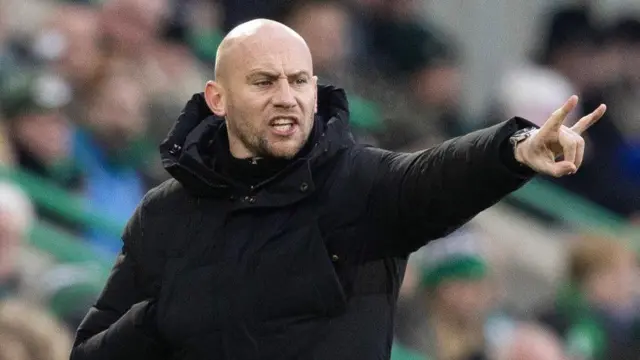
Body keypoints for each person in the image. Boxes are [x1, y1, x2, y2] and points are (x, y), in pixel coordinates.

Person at [70, 19, 607, 360]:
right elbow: (91, 351)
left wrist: (512, 149)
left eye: (299, 80)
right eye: (263, 81)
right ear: (217, 98)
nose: (287, 97)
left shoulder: (358, 183)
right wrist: (161, 318)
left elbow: (437, 176)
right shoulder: (163, 216)